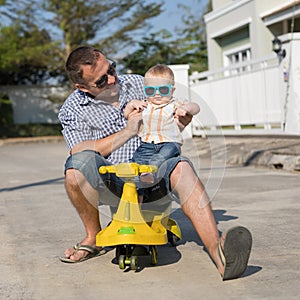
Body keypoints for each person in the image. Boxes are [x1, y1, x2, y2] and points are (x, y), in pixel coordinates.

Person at [58, 46, 252, 281]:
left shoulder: (139, 83)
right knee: (74, 169)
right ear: (82, 87)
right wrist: (128, 131)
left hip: (155, 174)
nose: (112, 79)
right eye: (101, 80)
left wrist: (180, 123)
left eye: (112, 69)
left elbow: (170, 115)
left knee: (182, 166)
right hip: (114, 183)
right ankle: (93, 237)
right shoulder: (72, 109)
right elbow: (78, 150)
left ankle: (219, 251)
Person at [123, 64, 200, 183]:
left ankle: (150, 172)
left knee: (162, 156)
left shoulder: (174, 104)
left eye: (163, 90)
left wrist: (185, 109)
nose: (157, 94)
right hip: (147, 142)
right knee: (138, 159)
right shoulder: (144, 105)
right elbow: (126, 114)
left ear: (172, 90)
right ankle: (139, 182)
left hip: (169, 142)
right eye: (150, 90)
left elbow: (196, 107)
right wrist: (131, 104)